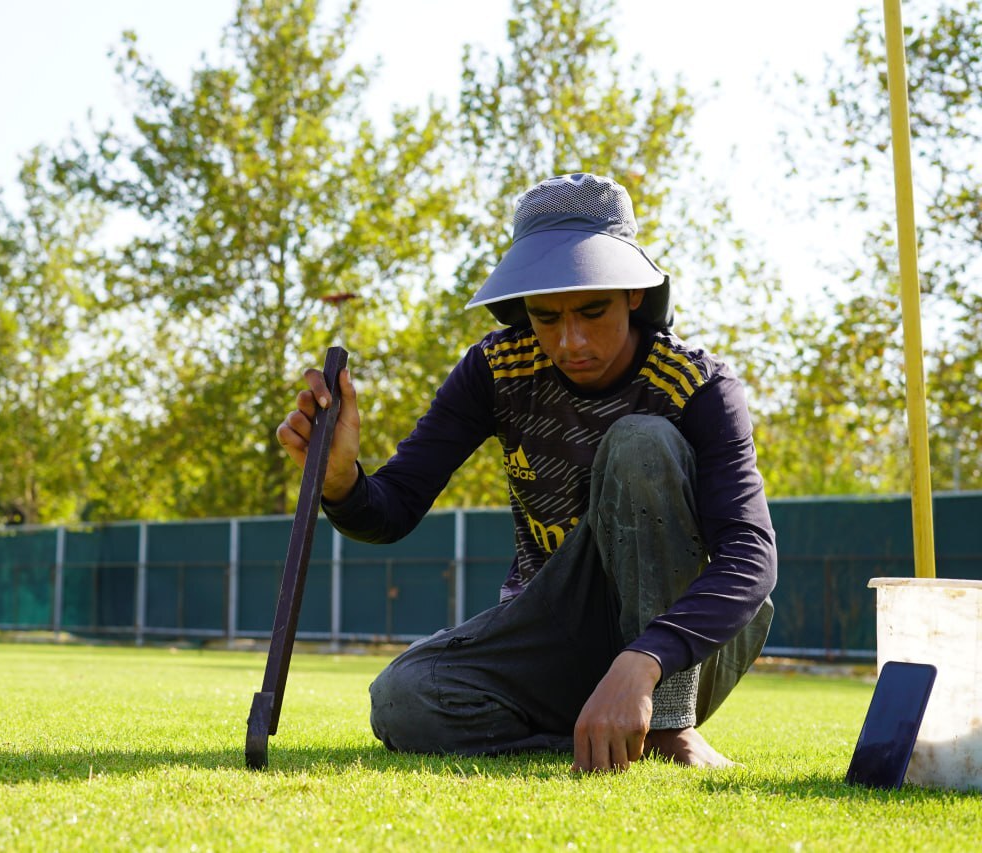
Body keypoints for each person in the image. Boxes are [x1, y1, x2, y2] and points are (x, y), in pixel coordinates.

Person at [276, 173, 776, 773]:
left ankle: (668, 726)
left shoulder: (699, 385)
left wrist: (645, 659)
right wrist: (340, 481)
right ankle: (598, 737)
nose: (571, 341)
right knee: (402, 698)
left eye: (593, 311)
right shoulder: (495, 368)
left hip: (681, 648)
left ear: (634, 294)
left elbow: (749, 558)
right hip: (551, 630)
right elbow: (393, 508)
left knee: (641, 442)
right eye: (545, 317)